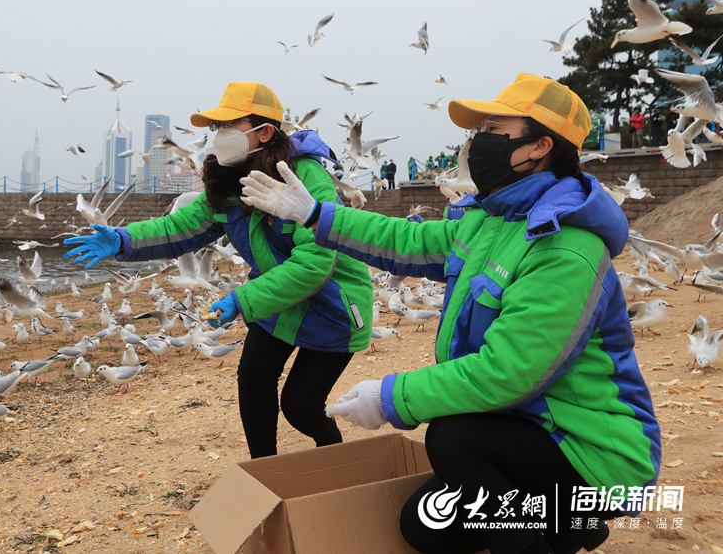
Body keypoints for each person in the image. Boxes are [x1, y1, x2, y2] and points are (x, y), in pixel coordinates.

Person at [239, 73, 660, 554]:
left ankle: (551, 531)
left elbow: (509, 372)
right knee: (424, 527)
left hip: (588, 448)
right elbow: (408, 242)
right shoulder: (491, 219)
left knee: (453, 437)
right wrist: (317, 214)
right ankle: (565, 522)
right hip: (521, 424)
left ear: (539, 146)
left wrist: (391, 398)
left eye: (494, 129)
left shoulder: (565, 247)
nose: (477, 142)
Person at [63, 82, 374, 459]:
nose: (220, 136)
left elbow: (316, 262)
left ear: (264, 132)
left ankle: (334, 457)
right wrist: (123, 239)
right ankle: (266, 470)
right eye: (216, 127)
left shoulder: (306, 177)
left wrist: (241, 299)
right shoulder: (228, 183)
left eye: (230, 126)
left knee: (301, 407)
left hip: (332, 305)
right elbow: (179, 227)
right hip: (277, 298)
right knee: (254, 379)